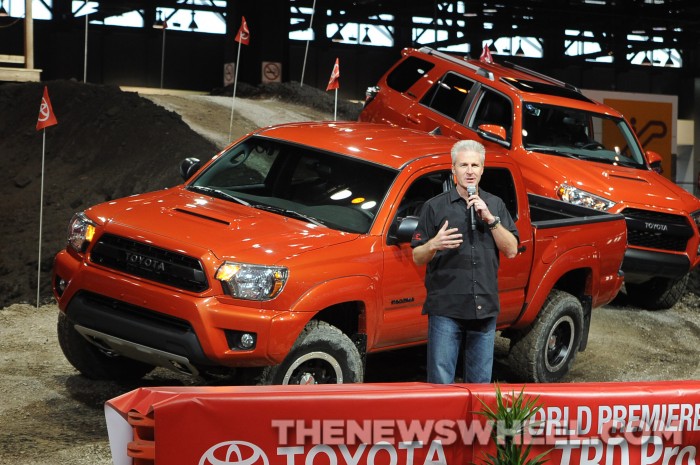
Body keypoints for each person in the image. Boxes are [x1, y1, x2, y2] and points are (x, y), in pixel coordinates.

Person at [411, 139, 519, 384]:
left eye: (475, 165)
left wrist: (491, 220)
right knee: (440, 384)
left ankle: (475, 425)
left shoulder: (495, 205)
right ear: (453, 169)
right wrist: (433, 244)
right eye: (463, 165)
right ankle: (442, 423)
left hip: (484, 309)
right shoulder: (434, 207)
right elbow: (417, 256)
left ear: (482, 169)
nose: (469, 171)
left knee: (480, 388)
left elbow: (511, 250)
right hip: (446, 310)